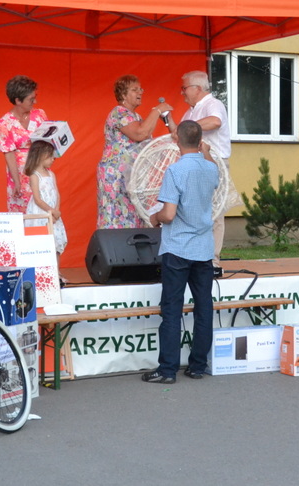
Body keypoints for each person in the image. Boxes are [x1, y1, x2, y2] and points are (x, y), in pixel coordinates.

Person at [142, 120, 219, 383]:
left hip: (178, 248)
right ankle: (198, 365)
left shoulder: (174, 171)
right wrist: (205, 151)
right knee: (203, 306)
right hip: (204, 248)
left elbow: (170, 214)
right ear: (200, 142)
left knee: (172, 309)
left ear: (177, 141)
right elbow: (211, 166)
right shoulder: (211, 169)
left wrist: (155, 218)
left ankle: (167, 370)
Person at [164, 70, 232, 270]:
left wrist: (188, 127)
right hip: (192, 163)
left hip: (212, 162)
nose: (182, 93)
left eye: (184, 88)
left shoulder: (213, 104)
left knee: (215, 211)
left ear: (198, 88)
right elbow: (179, 135)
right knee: (191, 209)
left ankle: (213, 259)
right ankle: (195, 255)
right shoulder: (191, 111)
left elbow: (215, 121)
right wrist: (168, 118)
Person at [97, 74, 172, 229]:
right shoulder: (119, 113)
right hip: (116, 175)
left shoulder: (135, 116)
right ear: (123, 94)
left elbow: (146, 140)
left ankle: (128, 251)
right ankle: (114, 251)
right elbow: (140, 134)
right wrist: (157, 110)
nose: (140, 92)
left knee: (132, 216)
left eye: (140, 89)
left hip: (130, 176)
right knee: (116, 217)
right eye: (135, 90)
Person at [0, 75, 49, 212]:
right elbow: (9, 154)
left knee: (43, 208)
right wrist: (16, 181)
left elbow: (49, 140)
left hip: (40, 167)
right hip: (19, 172)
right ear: (18, 100)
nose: (35, 101)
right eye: (31, 99)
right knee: (22, 213)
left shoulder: (40, 115)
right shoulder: (4, 123)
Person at [23, 140, 68, 255]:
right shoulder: (34, 176)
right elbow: (37, 199)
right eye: (50, 157)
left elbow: (57, 193)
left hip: (53, 214)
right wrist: (51, 211)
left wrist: (56, 210)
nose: (53, 159)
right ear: (40, 156)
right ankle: (41, 270)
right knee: (41, 240)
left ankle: (56, 271)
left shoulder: (51, 174)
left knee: (55, 241)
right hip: (41, 213)